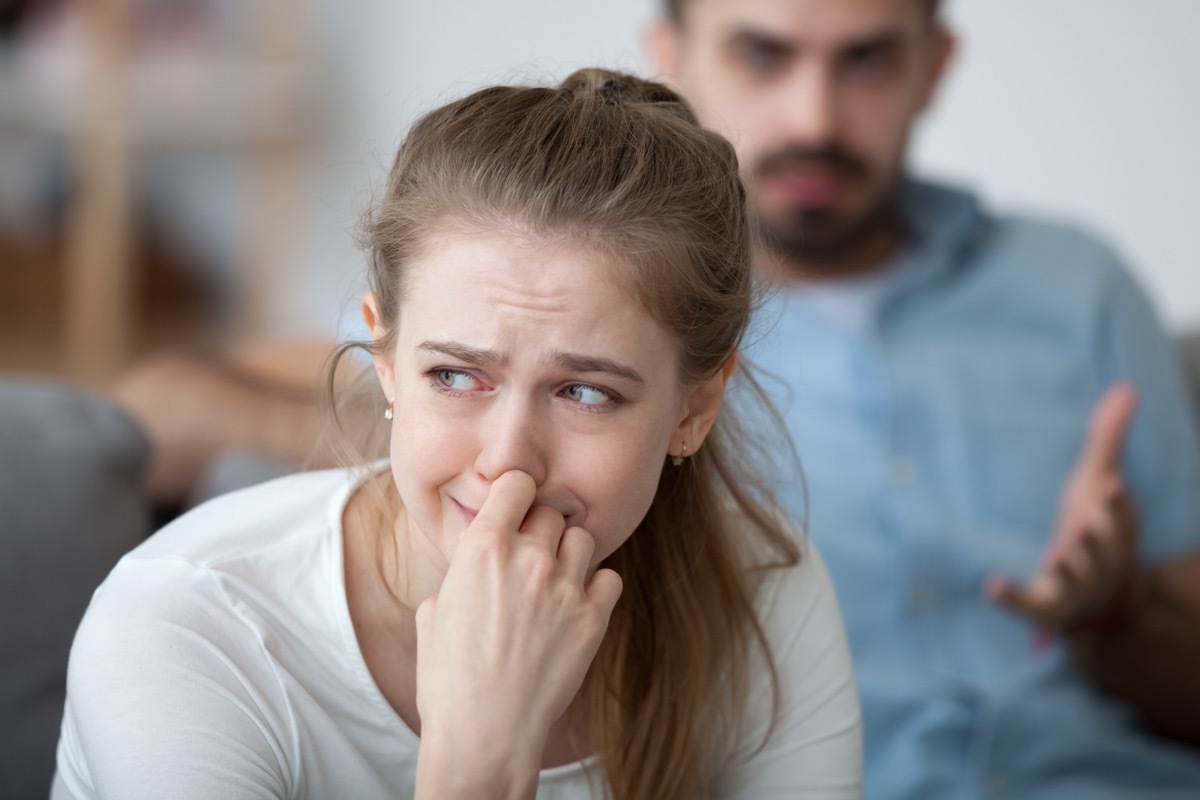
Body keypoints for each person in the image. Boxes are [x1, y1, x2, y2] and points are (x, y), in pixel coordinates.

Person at [51, 69, 862, 799]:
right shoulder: (188, 626)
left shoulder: (767, 594)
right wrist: (480, 751)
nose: (508, 458)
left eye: (585, 391)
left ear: (694, 408)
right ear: (388, 360)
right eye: (456, 375)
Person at [648, 0, 1200, 797]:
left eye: (867, 60)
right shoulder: (624, 338)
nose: (816, 120)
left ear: (934, 68)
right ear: (672, 57)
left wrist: (1116, 608)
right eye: (761, 56)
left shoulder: (1080, 285)